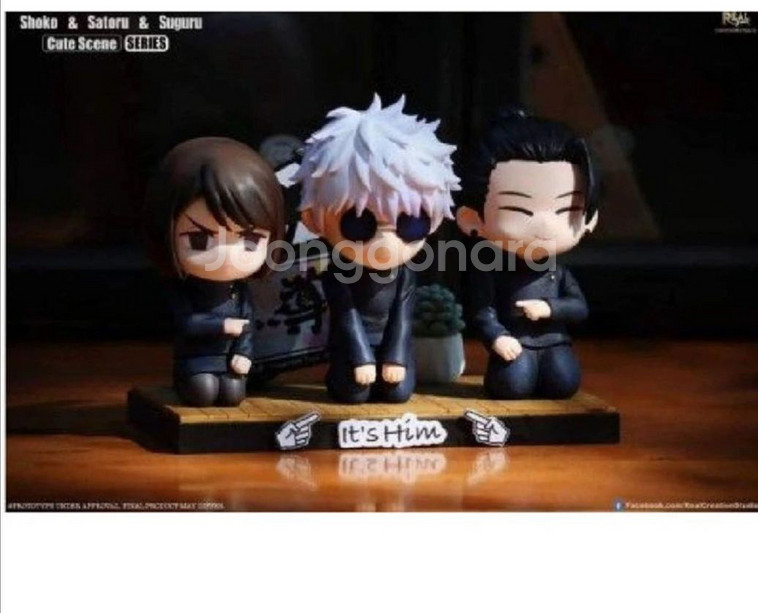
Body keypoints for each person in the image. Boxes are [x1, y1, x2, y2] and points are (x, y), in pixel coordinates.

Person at [294, 94, 459, 403]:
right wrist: (360, 357)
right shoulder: (338, 272)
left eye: (411, 224)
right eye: (358, 224)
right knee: (353, 393)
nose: (385, 243)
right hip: (351, 347)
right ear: (314, 219)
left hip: (391, 347)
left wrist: (396, 357)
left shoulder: (405, 273)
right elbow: (345, 316)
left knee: (398, 393)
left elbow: (402, 318)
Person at [456, 108, 599, 399]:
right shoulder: (491, 267)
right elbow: (482, 311)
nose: (545, 225)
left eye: (567, 209)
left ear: (589, 218)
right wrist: (497, 337)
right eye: (518, 209)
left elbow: (579, 307)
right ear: (471, 218)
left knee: (563, 383)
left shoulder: (557, 271)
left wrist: (549, 308)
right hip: (514, 342)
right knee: (512, 386)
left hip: (554, 341)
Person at [143, 137, 285, 406]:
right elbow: (185, 322)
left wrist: (244, 354)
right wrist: (222, 325)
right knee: (203, 393)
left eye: (250, 240)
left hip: (228, 360)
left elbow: (247, 325)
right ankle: (185, 380)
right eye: (199, 239)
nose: (227, 255)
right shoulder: (184, 289)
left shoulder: (239, 292)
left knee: (233, 396)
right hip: (196, 360)